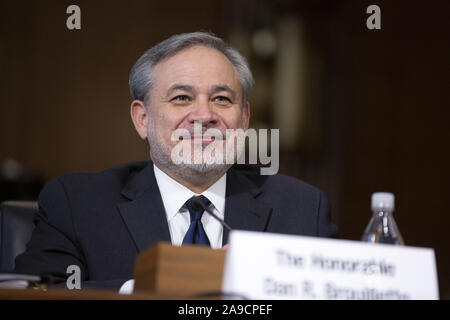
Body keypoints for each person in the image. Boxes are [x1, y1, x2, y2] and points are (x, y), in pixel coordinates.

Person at [14, 32, 338, 290]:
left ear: (243, 119)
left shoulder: (303, 209)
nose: (204, 115)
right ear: (142, 119)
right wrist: (152, 288)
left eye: (221, 99)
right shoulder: (77, 203)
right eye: (182, 98)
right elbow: (38, 290)